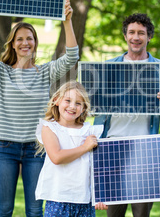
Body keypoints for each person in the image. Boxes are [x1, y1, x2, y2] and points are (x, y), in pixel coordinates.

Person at [0, 0, 79, 216]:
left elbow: (72, 55)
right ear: (13, 43)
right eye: (19, 39)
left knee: (35, 210)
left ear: (35, 43)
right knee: (4, 209)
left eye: (29, 38)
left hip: (36, 150)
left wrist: (67, 21)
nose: (25, 42)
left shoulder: (45, 72)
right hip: (6, 150)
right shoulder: (1, 71)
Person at [94, 13, 160, 217]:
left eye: (141, 33)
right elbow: (93, 108)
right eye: (131, 32)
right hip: (112, 146)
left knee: (141, 213)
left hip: (144, 149)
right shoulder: (108, 67)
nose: (136, 37)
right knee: (114, 212)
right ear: (125, 36)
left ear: (149, 37)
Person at [35, 81, 107, 216]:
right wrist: (85, 147)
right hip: (58, 198)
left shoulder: (89, 131)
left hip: (84, 200)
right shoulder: (49, 128)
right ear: (56, 101)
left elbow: (97, 167)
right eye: (68, 100)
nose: (72, 106)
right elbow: (57, 157)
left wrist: (101, 194)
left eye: (78, 103)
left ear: (84, 108)